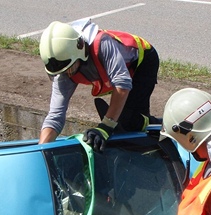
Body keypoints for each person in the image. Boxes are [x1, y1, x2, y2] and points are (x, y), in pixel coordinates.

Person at [38, 19, 160, 151]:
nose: (67, 75)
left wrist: (106, 127)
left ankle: (160, 126)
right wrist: (41, 150)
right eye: (62, 72)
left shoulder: (103, 44)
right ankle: (140, 126)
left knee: (130, 121)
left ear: (80, 50)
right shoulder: (64, 69)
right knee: (124, 120)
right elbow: (55, 116)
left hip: (142, 61)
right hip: (122, 75)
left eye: (70, 69)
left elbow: (122, 84)